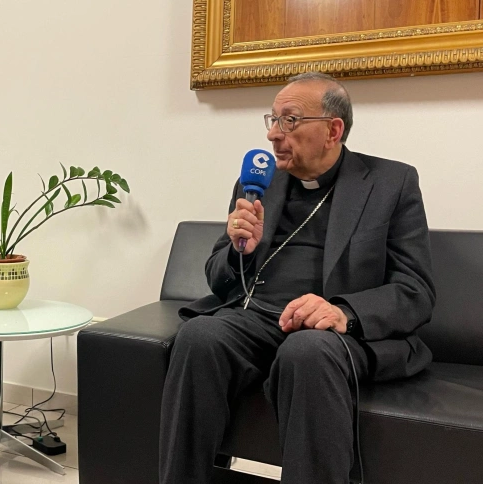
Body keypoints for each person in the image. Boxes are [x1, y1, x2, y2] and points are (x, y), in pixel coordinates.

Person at [159, 72, 435, 484]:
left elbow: (416, 290)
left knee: (306, 351)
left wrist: (344, 312)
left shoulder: (390, 183)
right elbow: (219, 278)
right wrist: (239, 250)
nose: (273, 134)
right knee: (198, 337)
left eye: (289, 121)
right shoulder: (258, 183)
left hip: (333, 333)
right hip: (255, 317)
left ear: (332, 129)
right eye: (272, 119)